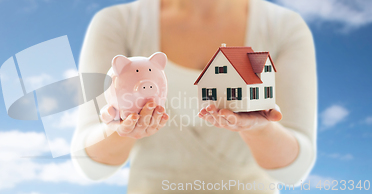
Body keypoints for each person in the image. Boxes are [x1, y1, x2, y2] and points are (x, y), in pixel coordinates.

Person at [71, 0, 317, 193]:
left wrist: (260, 130)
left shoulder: (285, 27)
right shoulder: (119, 23)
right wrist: (120, 131)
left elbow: (294, 172)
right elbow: (89, 163)